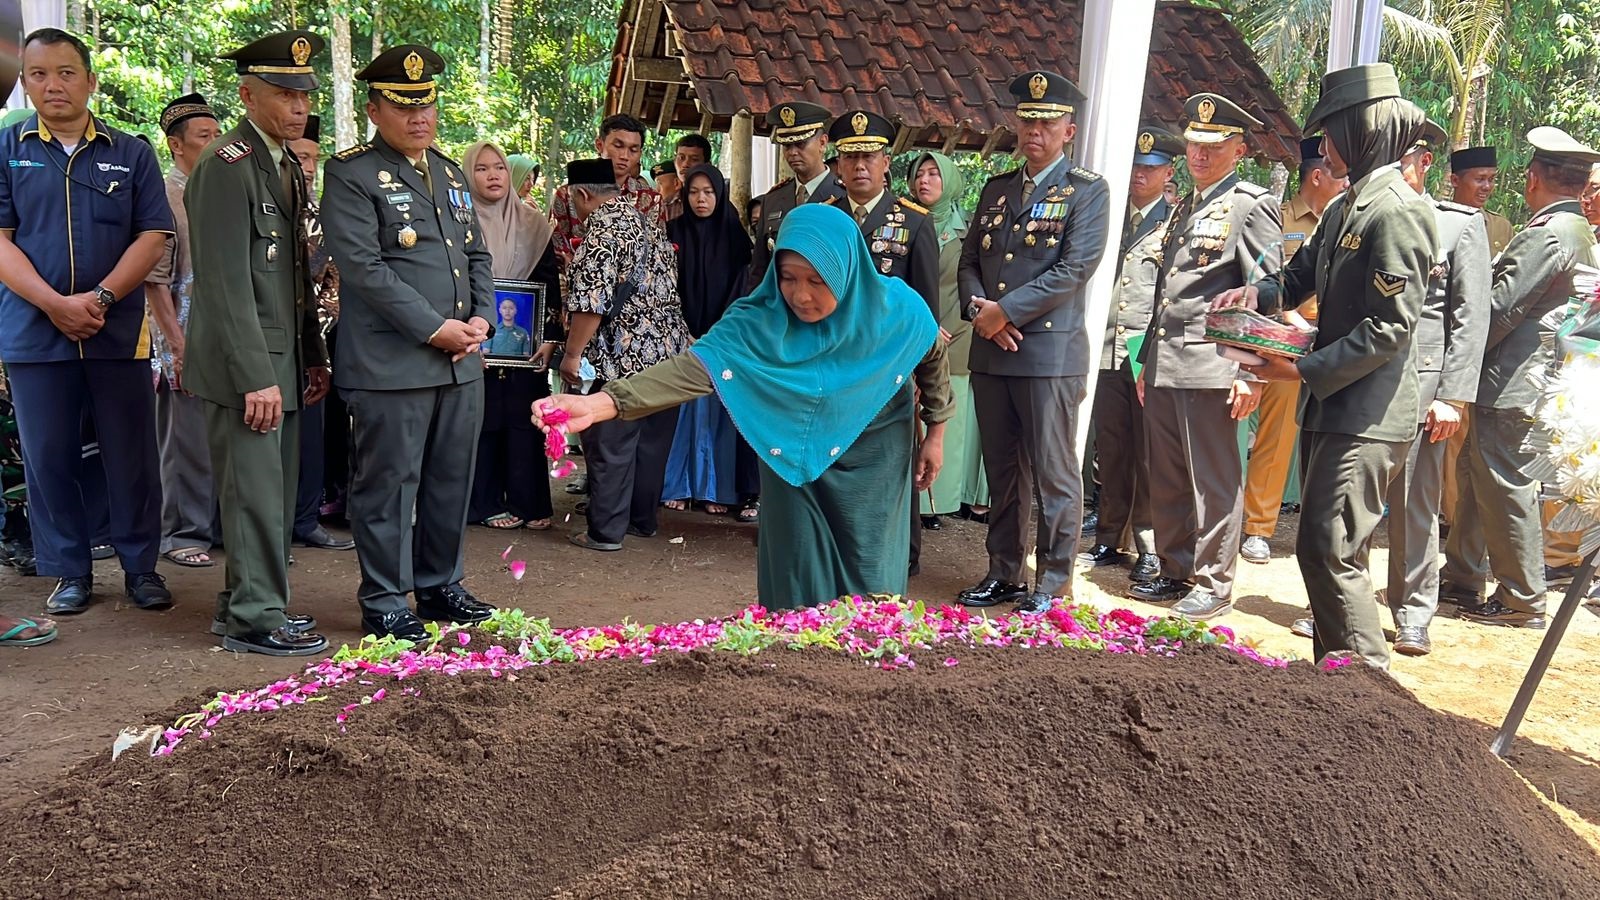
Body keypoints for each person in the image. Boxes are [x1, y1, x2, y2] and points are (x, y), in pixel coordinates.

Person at [537, 204, 952, 607]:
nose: (800, 296)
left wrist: (936, 432)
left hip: (875, 459)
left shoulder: (897, 310)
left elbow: (931, 354)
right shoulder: (758, 319)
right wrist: (601, 404)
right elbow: (693, 370)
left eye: (818, 281)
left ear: (847, 271)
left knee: (873, 579)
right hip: (793, 459)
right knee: (798, 584)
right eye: (788, 278)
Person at [1232, 64, 1436, 669]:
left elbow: (1391, 326)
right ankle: (1336, 677)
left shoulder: (1396, 209)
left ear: (1362, 129)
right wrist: (1255, 296)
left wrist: (1303, 369)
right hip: (1334, 405)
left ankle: (1364, 687)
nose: (1321, 148)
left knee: (1329, 545)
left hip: (1367, 412)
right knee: (1323, 547)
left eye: (1330, 132)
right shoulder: (1350, 204)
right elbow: (1300, 277)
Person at [320, 44, 498, 640]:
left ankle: (439, 583)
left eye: (427, 104)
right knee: (390, 483)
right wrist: (434, 327)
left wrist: (482, 319)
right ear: (374, 109)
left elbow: (475, 253)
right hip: (391, 362)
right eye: (404, 106)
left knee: (452, 477)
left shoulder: (448, 171)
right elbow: (364, 268)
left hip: (459, 363)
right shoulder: (350, 173)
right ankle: (386, 598)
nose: (420, 116)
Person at [0, 28, 174, 616]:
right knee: (49, 457)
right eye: (39, 74)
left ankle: (140, 567)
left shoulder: (131, 151)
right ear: (25, 82)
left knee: (131, 455)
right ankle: (68, 570)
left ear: (90, 81)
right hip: (33, 332)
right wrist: (53, 303)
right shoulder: (7, 148)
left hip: (117, 330)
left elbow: (153, 236)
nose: (53, 85)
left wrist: (98, 299)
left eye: (66, 72)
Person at [184, 30, 333, 655]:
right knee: (253, 495)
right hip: (246, 367)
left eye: (304, 93)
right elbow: (222, 284)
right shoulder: (227, 168)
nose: (298, 106)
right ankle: (254, 617)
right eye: (283, 92)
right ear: (246, 94)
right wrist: (254, 374)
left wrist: (312, 355)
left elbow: (292, 278)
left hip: (282, 359)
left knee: (270, 495)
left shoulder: (281, 163)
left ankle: (248, 602)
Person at [955, 70, 1111, 615]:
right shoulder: (998, 188)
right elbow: (970, 261)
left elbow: (1076, 268)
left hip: (1048, 355)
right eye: (1027, 120)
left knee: (1053, 472)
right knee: (1002, 471)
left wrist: (1006, 311)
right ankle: (1004, 572)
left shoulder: (1088, 191)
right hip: (993, 353)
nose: (1034, 131)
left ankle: (1053, 580)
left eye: (1047, 122)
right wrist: (982, 311)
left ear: (1069, 130)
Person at [1440, 127, 1600, 629]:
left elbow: (1499, 307)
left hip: (1514, 381)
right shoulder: (1577, 231)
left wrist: (1454, 353)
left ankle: (1522, 597)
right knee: (1479, 478)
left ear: (1532, 179)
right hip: (1528, 379)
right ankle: (1462, 577)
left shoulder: (1548, 233)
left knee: (1504, 484)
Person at [1129, 92, 1279, 620]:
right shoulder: (1185, 205)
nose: (1199, 154)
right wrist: (1148, 360)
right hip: (1169, 359)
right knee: (1167, 474)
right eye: (1194, 144)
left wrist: (1251, 372)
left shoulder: (1250, 204)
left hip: (1215, 363)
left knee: (1213, 479)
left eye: (1212, 146)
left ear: (1238, 149)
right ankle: (1175, 568)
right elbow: (1166, 292)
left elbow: (1264, 291)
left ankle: (1214, 581)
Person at [1358, 119, 1489, 657]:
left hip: (1423, 385)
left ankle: (1413, 611)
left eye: (1402, 162)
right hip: (1363, 382)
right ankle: (1352, 606)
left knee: (1415, 505)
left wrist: (1452, 396)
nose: (1391, 173)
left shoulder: (1457, 225)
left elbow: (1470, 317)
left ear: (1425, 164)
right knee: (1356, 502)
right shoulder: (1364, 217)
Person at [558, 158, 691, 550]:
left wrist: (571, 354)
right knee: (652, 444)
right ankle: (642, 520)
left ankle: (605, 531)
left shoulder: (601, 231)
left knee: (611, 444)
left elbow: (591, 304)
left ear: (582, 194)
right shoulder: (648, 224)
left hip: (621, 357)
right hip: (668, 355)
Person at [1079, 123, 1181, 585]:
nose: (1140, 174)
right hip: (1105, 345)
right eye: (1136, 166)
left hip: (1145, 348)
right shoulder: (1109, 217)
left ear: (1168, 172)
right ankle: (1108, 535)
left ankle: (1149, 545)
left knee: (1148, 453)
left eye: (1150, 167)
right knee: (1112, 447)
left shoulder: (1176, 224)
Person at [1239, 136, 1346, 566]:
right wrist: (1293, 325)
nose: (1344, 183)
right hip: (1285, 343)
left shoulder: (1348, 221)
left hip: (1335, 344)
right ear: (1317, 175)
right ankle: (1258, 527)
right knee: (1276, 434)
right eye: (1337, 175)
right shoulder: (1280, 219)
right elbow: (1271, 278)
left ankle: (1317, 528)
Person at [463, 139, 561, 533]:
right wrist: (467, 336)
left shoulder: (534, 224)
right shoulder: (457, 223)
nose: (493, 175)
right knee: (482, 421)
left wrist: (551, 336)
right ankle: (483, 503)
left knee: (526, 417)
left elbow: (551, 284)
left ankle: (528, 500)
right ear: (469, 175)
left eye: (499, 168)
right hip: (473, 341)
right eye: (483, 168)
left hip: (525, 343)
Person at [146, 92, 223, 569]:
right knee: (186, 441)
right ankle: (181, 533)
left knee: (222, 439)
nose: (215, 145)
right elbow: (156, 282)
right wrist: (176, 344)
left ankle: (220, 529)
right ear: (177, 145)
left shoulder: (219, 190)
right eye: (204, 137)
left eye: (219, 135)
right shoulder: (164, 195)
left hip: (225, 336)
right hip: (183, 332)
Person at [661, 164, 753, 516]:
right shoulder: (672, 233)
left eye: (709, 192)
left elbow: (742, 292)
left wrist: (718, 333)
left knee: (718, 413)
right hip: (680, 337)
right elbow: (664, 289)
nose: (701, 199)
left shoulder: (735, 238)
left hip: (723, 340)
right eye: (695, 192)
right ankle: (679, 485)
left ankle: (715, 487)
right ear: (685, 195)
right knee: (680, 410)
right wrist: (682, 331)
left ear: (720, 194)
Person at [285, 114, 356, 554]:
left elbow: (337, 278)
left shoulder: (327, 210)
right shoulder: (269, 205)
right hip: (274, 337)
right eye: (299, 157)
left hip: (322, 340)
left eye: (313, 157)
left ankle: (306, 517)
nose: (308, 166)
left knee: (316, 433)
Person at [908, 150, 984, 530]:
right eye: (919, 174)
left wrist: (947, 326)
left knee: (945, 420)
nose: (924, 181)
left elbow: (972, 284)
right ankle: (913, 501)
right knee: (910, 415)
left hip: (956, 334)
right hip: (911, 333)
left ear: (950, 180)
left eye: (934, 174)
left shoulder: (967, 229)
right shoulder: (901, 221)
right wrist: (922, 326)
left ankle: (939, 502)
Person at [750, 101, 846, 286]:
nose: (792, 152)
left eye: (800, 144)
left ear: (822, 142)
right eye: (787, 146)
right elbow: (759, 269)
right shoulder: (772, 199)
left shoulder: (844, 197)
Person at [548, 114, 664, 268]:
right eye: (618, 146)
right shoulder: (568, 194)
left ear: (640, 154)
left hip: (631, 289)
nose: (625, 156)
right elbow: (557, 247)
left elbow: (656, 252)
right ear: (599, 145)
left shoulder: (651, 199)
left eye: (633, 150)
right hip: (572, 284)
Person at [1449, 147, 1513, 255]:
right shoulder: (1437, 221)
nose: (1487, 187)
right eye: (1480, 179)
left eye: (1491, 179)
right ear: (1455, 180)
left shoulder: (1502, 227)